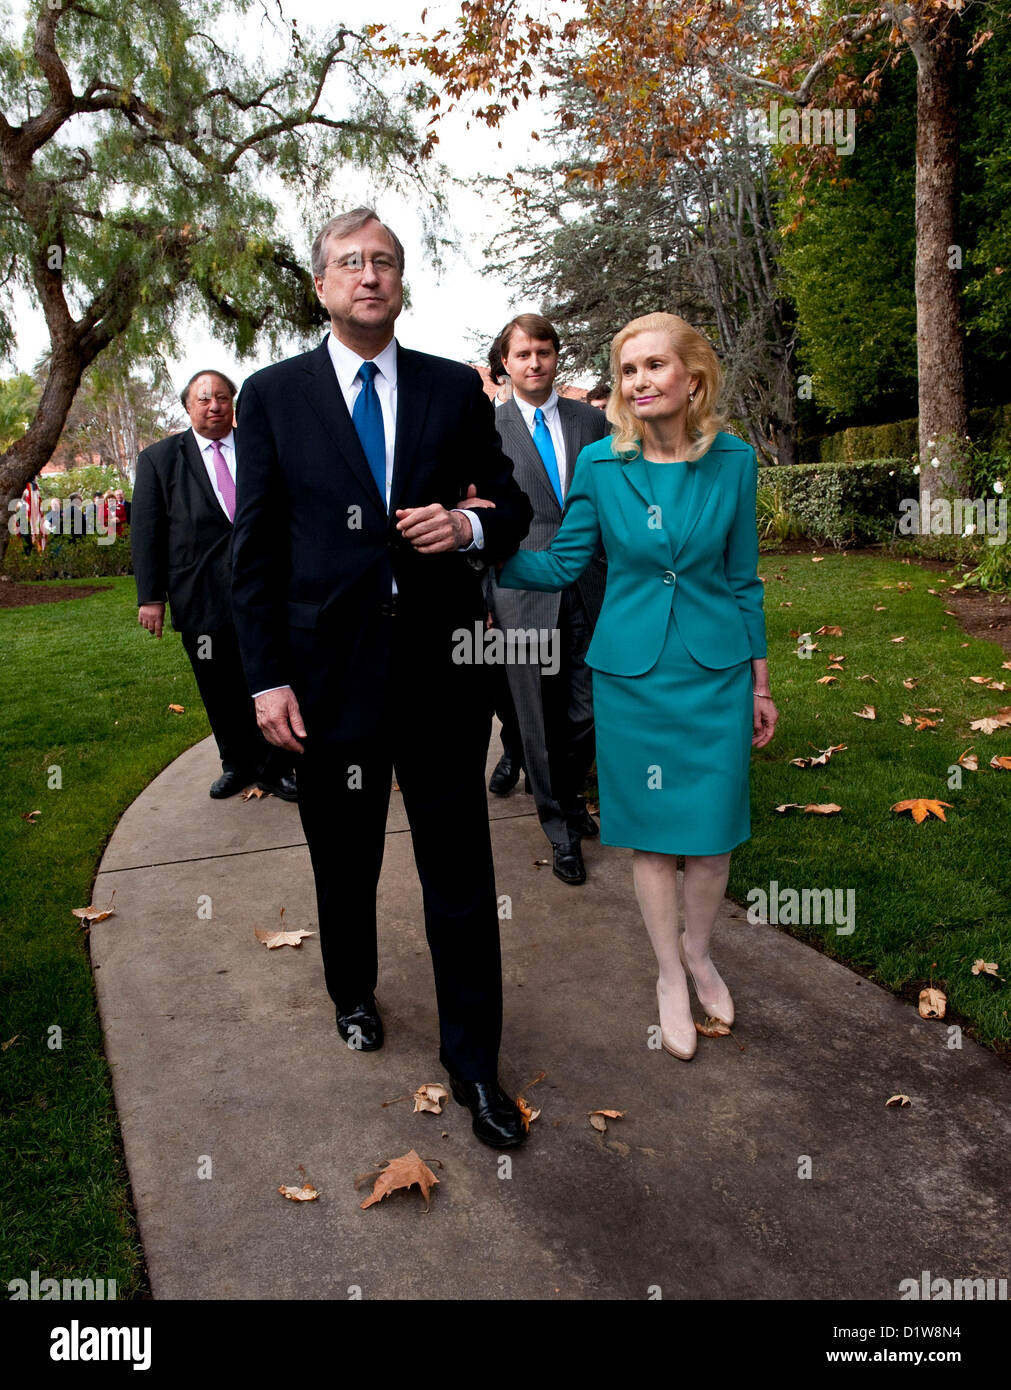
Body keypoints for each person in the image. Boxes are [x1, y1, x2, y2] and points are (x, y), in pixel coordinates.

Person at [230, 207, 534, 1148]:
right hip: (329, 679)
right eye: (350, 263)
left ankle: (476, 1066)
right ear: (321, 286)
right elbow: (255, 553)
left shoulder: (452, 390)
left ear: (402, 283)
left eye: (386, 263)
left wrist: (469, 528)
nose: (370, 275)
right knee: (345, 854)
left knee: (458, 868)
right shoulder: (272, 396)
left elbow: (511, 506)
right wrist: (265, 682)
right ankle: (352, 990)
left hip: (441, 670)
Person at [499, 312, 778, 1059]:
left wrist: (759, 682)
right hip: (633, 676)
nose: (640, 381)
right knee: (652, 844)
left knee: (713, 840)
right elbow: (560, 565)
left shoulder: (734, 461)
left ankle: (698, 952)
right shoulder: (600, 464)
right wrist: (479, 548)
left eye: (655, 366)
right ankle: (665, 975)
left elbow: (743, 580)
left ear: (692, 378)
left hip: (714, 675)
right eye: (628, 370)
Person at [131, 370, 297, 802]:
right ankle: (236, 764)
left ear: (234, 402)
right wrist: (151, 597)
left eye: (222, 397)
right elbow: (146, 532)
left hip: (266, 589)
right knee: (218, 685)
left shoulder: (262, 447)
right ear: (188, 406)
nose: (214, 405)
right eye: (203, 399)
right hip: (199, 595)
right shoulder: (159, 459)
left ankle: (277, 768)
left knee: (270, 676)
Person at [487, 313, 610, 885]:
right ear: (505, 364)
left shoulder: (594, 421)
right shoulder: (488, 429)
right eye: (522, 354)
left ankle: (564, 789)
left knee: (590, 709)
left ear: (557, 357)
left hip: (592, 582)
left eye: (544, 351)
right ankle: (560, 827)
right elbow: (478, 520)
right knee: (536, 714)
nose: (534, 362)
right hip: (523, 591)